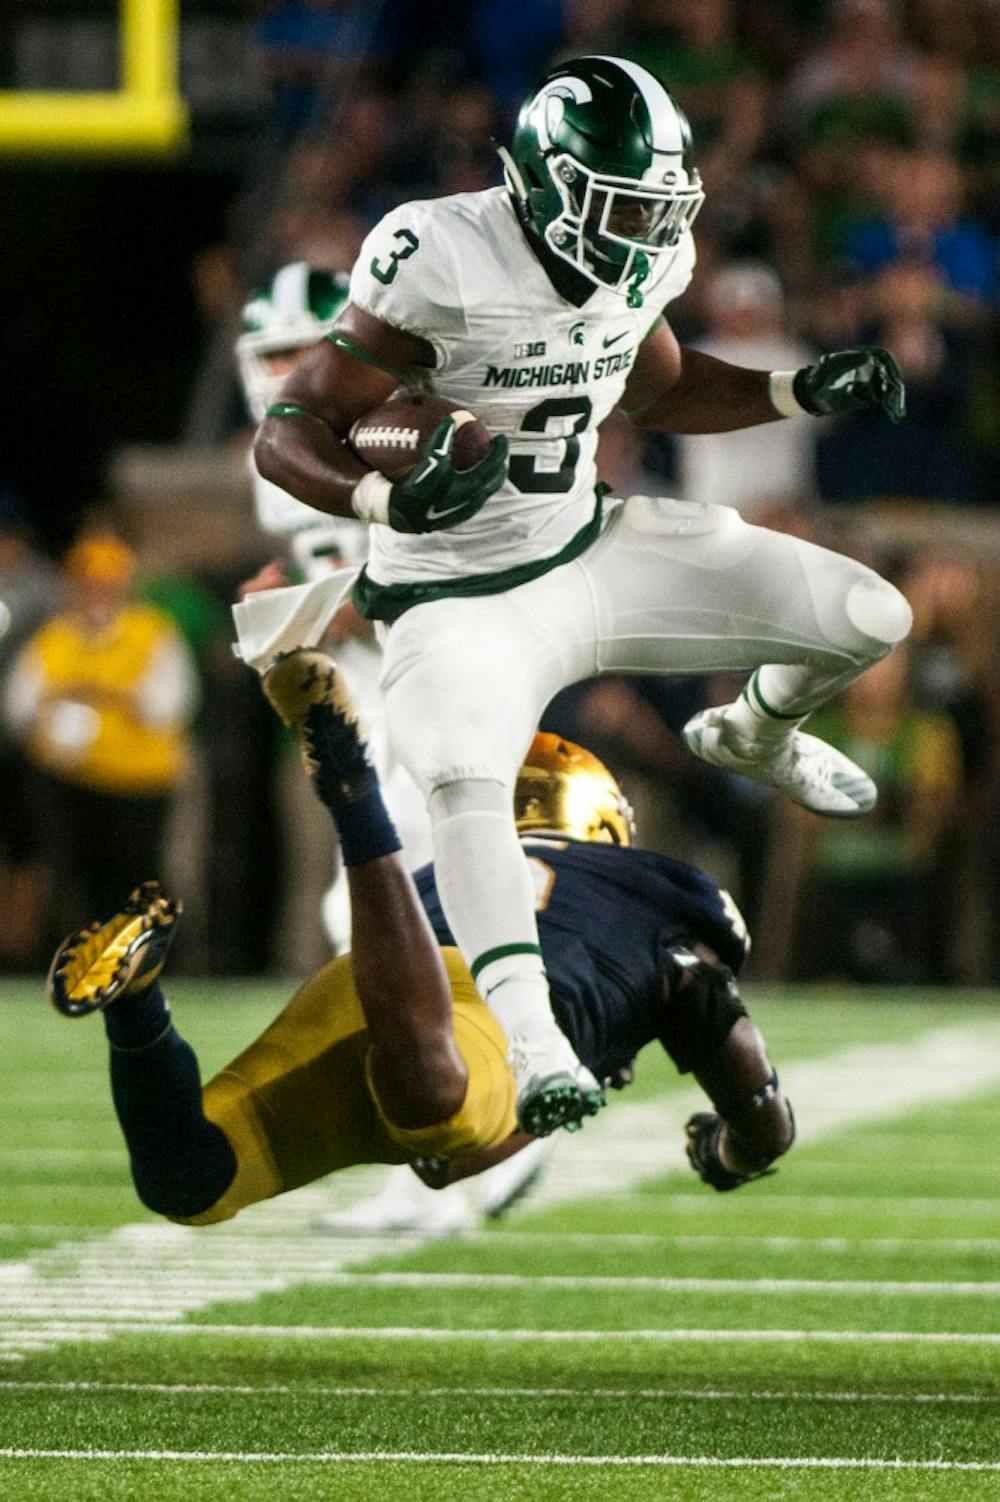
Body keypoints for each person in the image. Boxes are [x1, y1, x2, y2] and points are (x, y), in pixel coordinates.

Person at [237, 54, 912, 1137]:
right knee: (462, 782)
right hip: (459, 594)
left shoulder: (641, 260)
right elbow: (289, 432)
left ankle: (752, 727)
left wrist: (793, 388)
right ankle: (532, 1037)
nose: (645, 229)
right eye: (621, 204)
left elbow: (658, 382)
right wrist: (380, 500)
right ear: (547, 186)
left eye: (659, 207)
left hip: (589, 549)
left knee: (870, 614)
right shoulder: (440, 254)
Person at [47, 649, 795, 1228]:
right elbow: (733, 1050)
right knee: (438, 1092)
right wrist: (737, 1149)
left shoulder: (454, 867)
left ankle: (138, 1005)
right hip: (448, 1021)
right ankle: (352, 788)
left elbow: (457, 1156)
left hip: (375, 978)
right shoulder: (651, 893)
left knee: (189, 1180)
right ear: (602, 820)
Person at [237, 261, 433, 952]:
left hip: (424, 679)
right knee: (367, 893)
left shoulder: (394, 427)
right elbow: (326, 557)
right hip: (361, 692)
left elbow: (416, 570)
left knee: (391, 882)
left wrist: (307, 608)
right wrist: (288, 582)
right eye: (272, 354)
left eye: (300, 350)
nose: (285, 370)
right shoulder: (278, 452)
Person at [5, 533, 199, 930]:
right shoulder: (53, 638)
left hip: (140, 781)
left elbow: (171, 705)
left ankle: (142, 966)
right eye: (88, 584)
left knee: (139, 881)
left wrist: (102, 693)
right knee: (75, 884)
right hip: (70, 780)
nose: (97, 594)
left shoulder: (152, 632)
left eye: (105, 584)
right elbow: (18, 709)